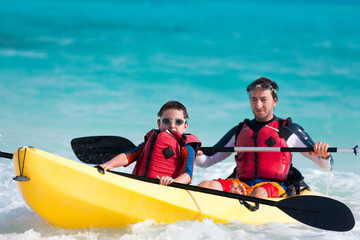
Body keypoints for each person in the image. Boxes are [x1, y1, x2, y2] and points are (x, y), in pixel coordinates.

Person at [197, 77, 334, 198]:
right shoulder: (239, 130)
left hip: (274, 186)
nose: (258, 105)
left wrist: (324, 155)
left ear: (274, 101)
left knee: (258, 193)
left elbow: (327, 166)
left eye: (263, 100)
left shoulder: (289, 130)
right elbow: (206, 161)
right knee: (206, 185)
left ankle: (241, 204)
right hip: (240, 184)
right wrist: (195, 152)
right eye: (254, 100)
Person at [100, 101, 201, 186]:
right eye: (166, 121)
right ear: (158, 123)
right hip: (141, 185)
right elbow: (128, 156)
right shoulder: (149, 142)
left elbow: (188, 175)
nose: (172, 125)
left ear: (185, 126)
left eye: (178, 122)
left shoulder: (186, 148)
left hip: (168, 189)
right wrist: (110, 164)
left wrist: (173, 182)